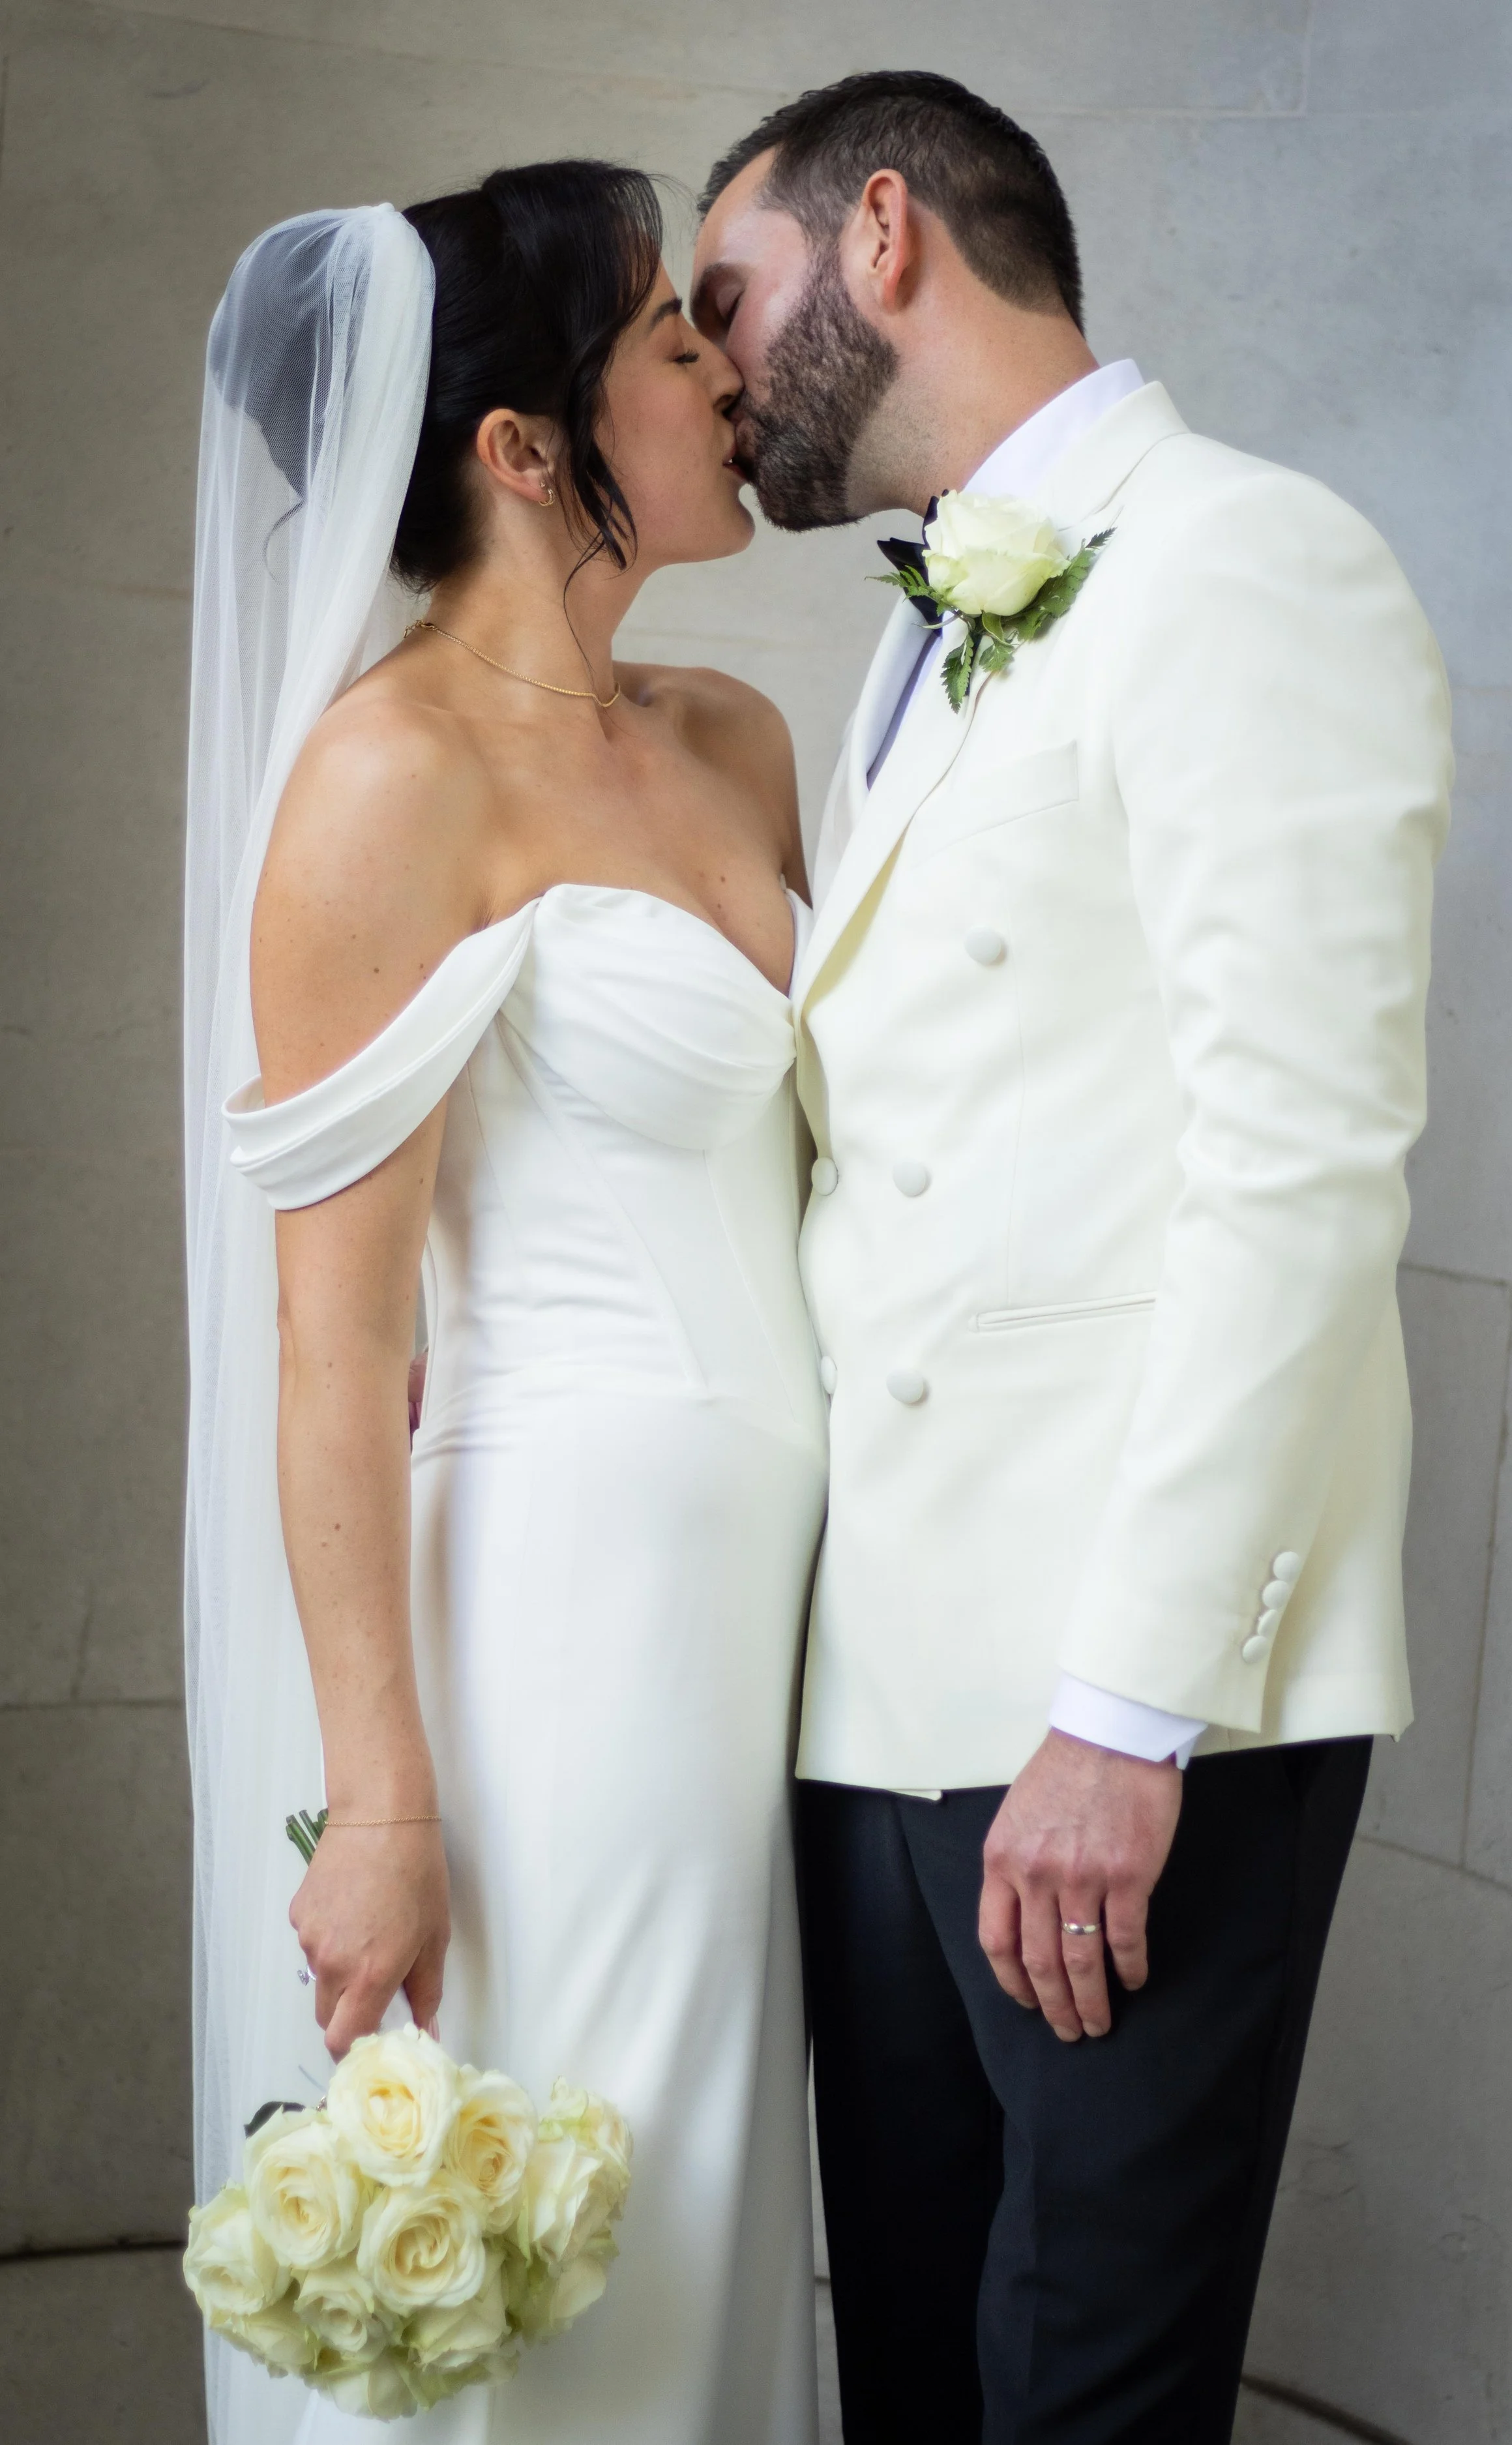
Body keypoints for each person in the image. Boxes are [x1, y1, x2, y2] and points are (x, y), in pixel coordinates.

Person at [692, 70, 1453, 2443]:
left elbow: (1301, 1163)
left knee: (1085, 2393)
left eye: (730, 299)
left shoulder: (1247, 556)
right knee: (921, 2368)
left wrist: (1125, 1713)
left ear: (882, 233)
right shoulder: (913, 630)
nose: (713, 373)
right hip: (884, 1698)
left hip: (1118, 1711)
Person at [185, 167, 825, 2445]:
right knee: (582, 2214)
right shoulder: (388, 780)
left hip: (771, 1620)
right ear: (520, 448)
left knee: (723, 2177)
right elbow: (338, 1343)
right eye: (670, 337)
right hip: (558, 1620)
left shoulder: (733, 737)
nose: (726, 374)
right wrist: (378, 1798)